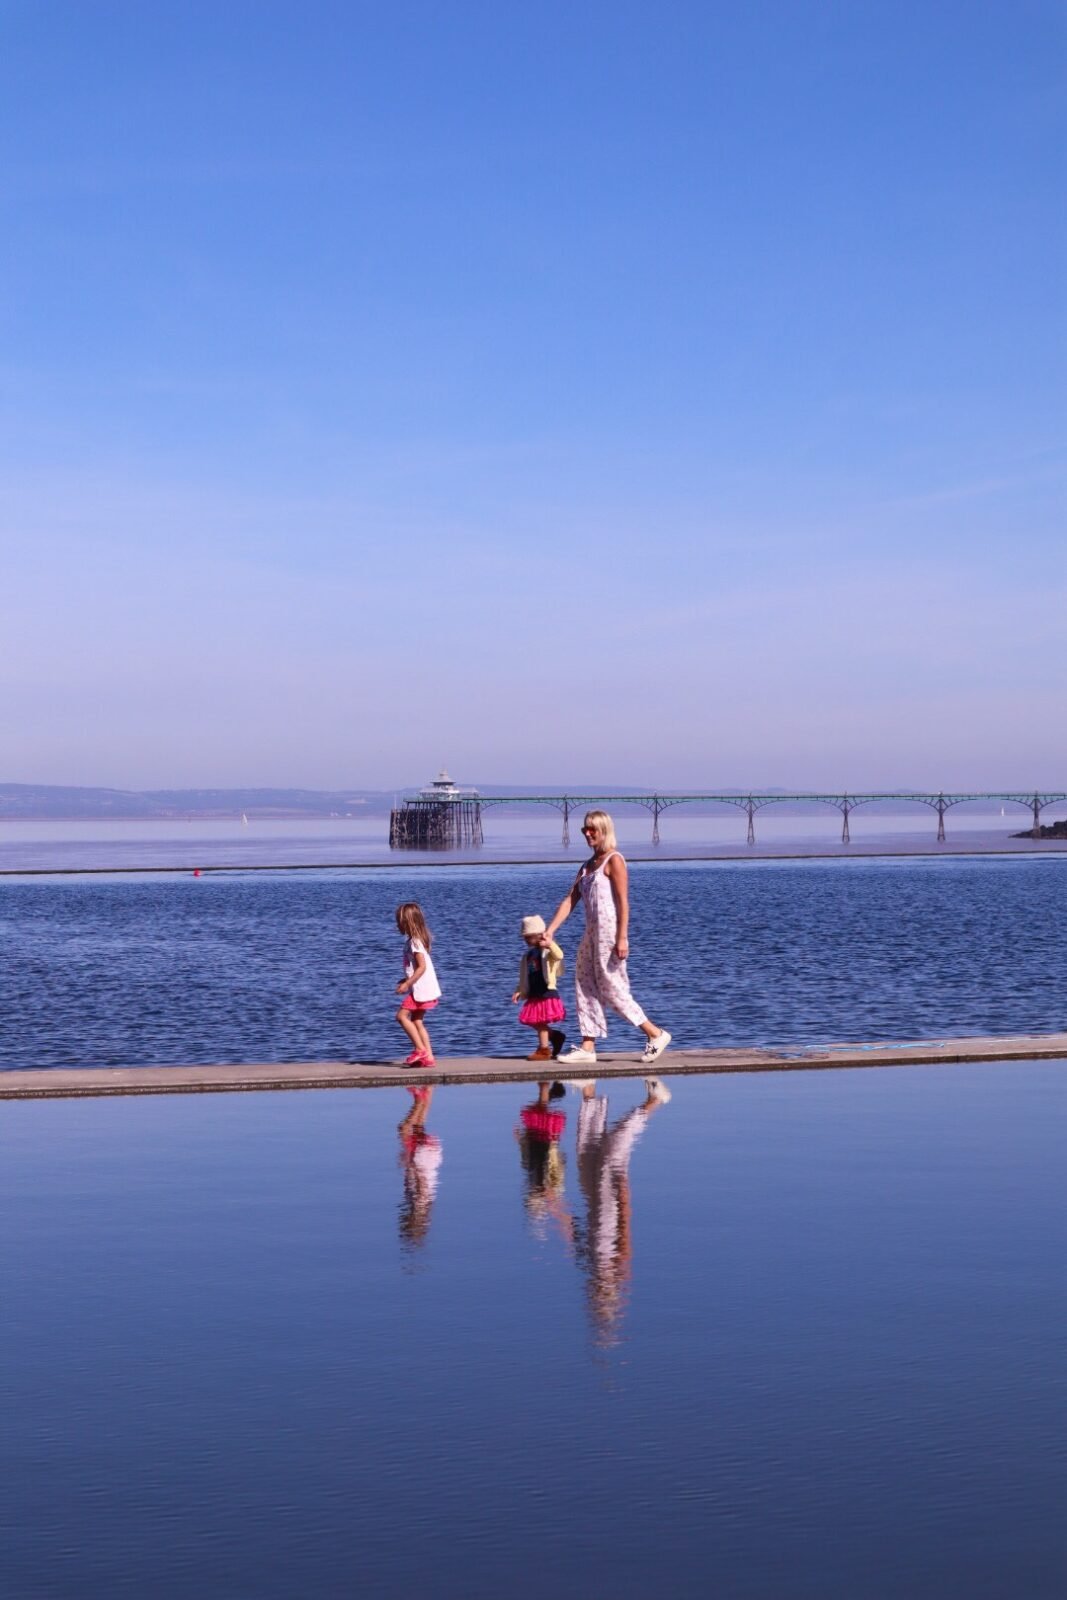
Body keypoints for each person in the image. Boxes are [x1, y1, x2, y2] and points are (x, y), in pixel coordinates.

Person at [543, 810, 671, 1066]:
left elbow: (624, 903)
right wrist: (551, 929)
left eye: (593, 830)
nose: (588, 834)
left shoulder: (614, 860)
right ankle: (588, 1046)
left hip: (610, 934)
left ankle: (655, 1034)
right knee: (584, 984)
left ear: (604, 831)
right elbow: (571, 899)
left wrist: (622, 938)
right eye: (585, 830)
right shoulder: (587, 866)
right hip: (591, 934)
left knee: (612, 988)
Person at [511, 913, 567, 1060]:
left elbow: (559, 955)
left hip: (546, 991)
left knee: (540, 1021)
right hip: (535, 993)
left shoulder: (547, 951)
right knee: (532, 1020)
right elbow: (525, 977)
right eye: (524, 937)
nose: (525, 940)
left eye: (528, 937)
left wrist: (550, 944)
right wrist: (519, 990)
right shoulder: (528, 955)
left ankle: (544, 1049)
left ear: (539, 935)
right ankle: (554, 1036)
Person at [394, 901, 442, 1067]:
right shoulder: (413, 942)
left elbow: (422, 967)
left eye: (398, 922)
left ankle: (420, 1049)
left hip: (420, 990)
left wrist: (408, 984)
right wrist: (405, 980)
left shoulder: (415, 942)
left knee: (401, 1016)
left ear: (407, 923)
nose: (396, 925)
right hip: (422, 987)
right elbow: (415, 968)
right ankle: (428, 1057)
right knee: (417, 1021)